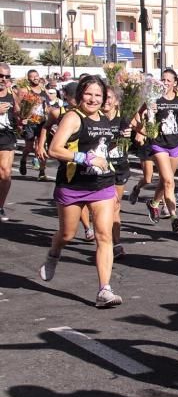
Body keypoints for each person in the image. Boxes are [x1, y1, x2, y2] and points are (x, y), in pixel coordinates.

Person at [38, 75, 122, 308]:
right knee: (67, 234)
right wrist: (84, 158)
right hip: (73, 185)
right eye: (89, 94)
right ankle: (54, 253)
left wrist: (113, 183)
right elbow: (55, 149)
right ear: (80, 95)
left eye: (98, 95)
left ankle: (104, 290)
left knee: (104, 236)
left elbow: (103, 152)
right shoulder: (73, 118)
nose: (93, 99)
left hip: (101, 185)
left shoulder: (104, 119)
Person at [140, 69, 178, 233]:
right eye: (163, 80)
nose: (165, 82)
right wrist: (148, 116)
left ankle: (153, 203)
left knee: (165, 180)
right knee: (168, 181)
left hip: (176, 144)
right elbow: (140, 116)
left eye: (168, 80)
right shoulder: (154, 97)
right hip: (159, 143)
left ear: (175, 83)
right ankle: (174, 217)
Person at [103, 89, 130, 259]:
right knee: (106, 207)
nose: (106, 101)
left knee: (115, 206)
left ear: (116, 101)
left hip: (119, 166)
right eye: (103, 98)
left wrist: (132, 133)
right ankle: (104, 237)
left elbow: (141, 131)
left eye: (109, 98)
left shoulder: (123, 119)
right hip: (99, 168)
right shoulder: (94, 118)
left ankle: (115, 242)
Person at [18, 68, 49, 181]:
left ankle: (42, 171)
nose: (35, 78)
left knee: (41, 147)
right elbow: (18, 106)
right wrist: (21, 120)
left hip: (42, 123)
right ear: (28, 78)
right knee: (29, 147)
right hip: (30, 123)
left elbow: (48, 105)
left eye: (37, 75)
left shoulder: (43, 90)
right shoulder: (25, 90)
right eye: (32, 76)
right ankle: (23, 159)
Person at [0, 64, 15, 221]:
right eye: (0, 76)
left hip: (6, 136)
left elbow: (19, 114)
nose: (3, 79)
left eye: (6, 76)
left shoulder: (13, 95)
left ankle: (0, 206)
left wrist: (24, 118)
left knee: (5, 173)